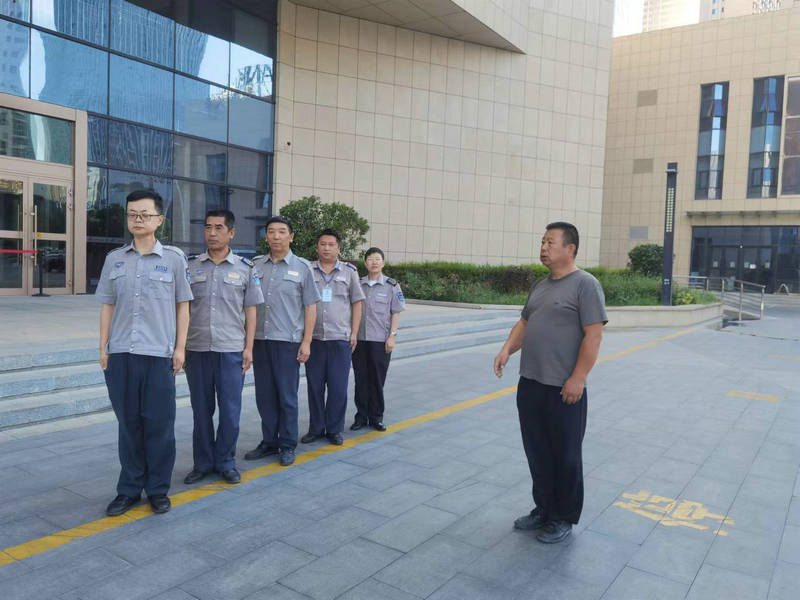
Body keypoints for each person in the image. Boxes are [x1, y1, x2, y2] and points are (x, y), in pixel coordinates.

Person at [493, 222, 607, 544]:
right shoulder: (540, 286)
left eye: (550, 242)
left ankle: (562, 517)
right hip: (530, 384)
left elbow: (594, 335)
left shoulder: (586, 285)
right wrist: (507, 349)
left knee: (565, 456)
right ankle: (543, 508)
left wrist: (578, 378)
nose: (543, 248)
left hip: (564, 388)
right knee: (537, 451)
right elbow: (525, 322)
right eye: (542, 242)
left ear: (570, 249)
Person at [96, 189, 192, 516]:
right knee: (129, 425)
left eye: (145, 214)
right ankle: (129, 489)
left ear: (159, 219)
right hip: (122, 353)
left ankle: (158, 489)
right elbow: (107, 305)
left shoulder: (174, 259)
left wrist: (180, 348)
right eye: (132, 214)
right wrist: (103, 347)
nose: (138, 219)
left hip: (159, 354)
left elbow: (183, 306)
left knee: (159, 425)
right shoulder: (115, 259)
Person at [183, 210, 264, 486]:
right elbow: (182, 309)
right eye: (208, 227)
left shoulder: (245, 269)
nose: (212, 233)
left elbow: (251, 311)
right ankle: (203, 463)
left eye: (219, 228)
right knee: (201, 411)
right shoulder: (190, 266)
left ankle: (226, 462)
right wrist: (180, 346)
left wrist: (249, 348)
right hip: (197, 349)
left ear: (231, 233)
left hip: (231, 350)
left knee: (230, 411)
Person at [245, 216, 320, 466]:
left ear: (291, 236)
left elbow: (310, 307)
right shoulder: (255, 266)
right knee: (264, 395)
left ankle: (287, 444)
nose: (276, 236)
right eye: (271, 231)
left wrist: (307, 341)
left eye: (281, 231)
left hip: (287, 342)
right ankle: (269, 441)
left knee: (287, 396)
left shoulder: (303, 267)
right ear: (266, 236)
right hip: (260, 340)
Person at [302, 229, 365, 446]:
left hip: (340, 339)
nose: (326, 248)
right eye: (323, 244)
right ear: (317, 247)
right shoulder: (307, 270)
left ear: (338, 248)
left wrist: (354, 332)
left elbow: (357, 302)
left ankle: (335, 429)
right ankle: (316, 428)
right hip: (314, 339)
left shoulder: (349, 272)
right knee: (315, 388)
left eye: (331, 245)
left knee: (338, 388)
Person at [350, 247, 404, 431]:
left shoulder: (392, 285)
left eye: (377, 259)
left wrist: (392, 336)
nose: (374, 262)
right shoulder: (358, 283)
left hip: (380, 340)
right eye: (370, 259)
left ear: (383, 263)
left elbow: (396, 312)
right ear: (365, 263)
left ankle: (376, 416)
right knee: (360, 379)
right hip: (359, 340)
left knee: (377, 379)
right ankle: (361, 417)